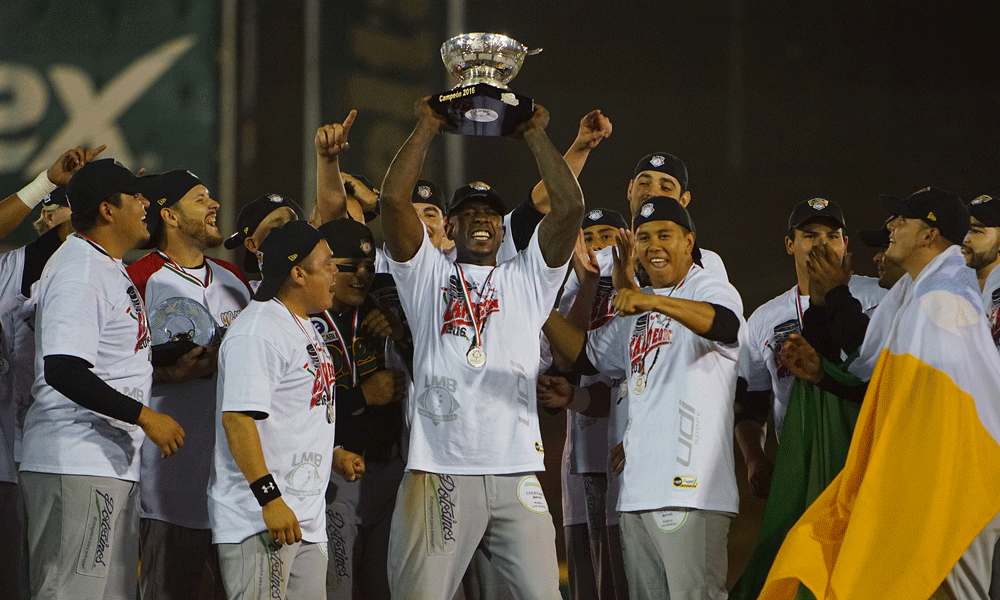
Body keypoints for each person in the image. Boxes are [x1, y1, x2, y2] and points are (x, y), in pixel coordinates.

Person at [377, 97, 584, 599]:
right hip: (441, 470)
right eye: (466, 213)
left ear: (502, 226)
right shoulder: (427, 274)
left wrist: (535, 134)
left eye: (490, 212)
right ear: (448, 227)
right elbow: (393, 204)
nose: (481, 220)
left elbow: (570, 207)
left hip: (517, 473)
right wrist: (426, 126)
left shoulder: (529, 277)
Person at [764, 187, 1000, 600]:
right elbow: (886, 378)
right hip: (941, 484)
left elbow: (918, 390)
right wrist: (825, 376)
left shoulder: (944, 299)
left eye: (901, 220)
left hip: (960, 484)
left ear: (930, 236)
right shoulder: (925, 292)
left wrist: (836, 294)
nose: (890, 226)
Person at [542, 196, 743, 600]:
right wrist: (532, 302)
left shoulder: (706, 285)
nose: (654, 245)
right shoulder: (636, 309)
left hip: (692, 489)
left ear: (689, 242)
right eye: (645, 236)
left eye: (665, 235)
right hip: (636, 494)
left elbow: (725, 324)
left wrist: (650, 299)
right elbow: (581, 353)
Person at [19, 158, 185, 599]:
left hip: (102, 460)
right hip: (75, 457)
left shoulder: (103, 263)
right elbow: (63, 369)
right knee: (75, 593)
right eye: (136, 195)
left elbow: (110, 355)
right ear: (108, 210)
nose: (146, 203)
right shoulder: (81, 269)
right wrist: (145, 415)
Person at [208, 220, 363, 599]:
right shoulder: (258, 331)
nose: (336, 271)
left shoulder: (303, 323)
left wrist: (332, 453)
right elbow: (238, 421)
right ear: (297, 273)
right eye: (327, 263)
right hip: (260, 517)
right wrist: (270, 499)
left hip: (304, 518)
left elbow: (292, 414)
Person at [126, 169, 253, 599]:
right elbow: (107, 367)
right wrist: (166, 372)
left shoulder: (235, 281)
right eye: (201, 199)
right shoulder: (138, 279)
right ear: (171, 216)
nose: (215, 204)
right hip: (165, 487)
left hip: (231, 489)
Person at [734, 198, 884, 500]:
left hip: (872, 453)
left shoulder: (881, 295)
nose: (823, 244)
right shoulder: (764, 318)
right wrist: (754, 459)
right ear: (790, 244)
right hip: (803, 462)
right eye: (810, 235)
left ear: (845, 243)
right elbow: (751, 402)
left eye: (832, 236)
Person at [312, 218, 407, 600]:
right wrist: (363, 396)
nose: (361, 276)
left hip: (389, 470)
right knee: (339, 589)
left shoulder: (386, 308)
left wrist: (402, 334)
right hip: (333, 471)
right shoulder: (302, 315)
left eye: (368, 267)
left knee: (383, 589)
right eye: (350, 266)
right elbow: (293, 404)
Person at [554, 208, 628, 600]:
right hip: (584, 450)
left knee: (625, 575)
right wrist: (586, 285)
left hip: (626, 448)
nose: (599, 244)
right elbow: (565, 359)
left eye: (608, 235)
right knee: (589, 577)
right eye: (590, 236)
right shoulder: (570, 288)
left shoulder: (636, 286)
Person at [0, 145, 104, 241]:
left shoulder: (104, 259)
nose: (86, 213)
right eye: (74, 205)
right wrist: (47, 182)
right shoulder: (24, 260)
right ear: (49, 217)